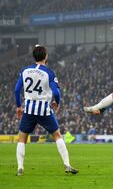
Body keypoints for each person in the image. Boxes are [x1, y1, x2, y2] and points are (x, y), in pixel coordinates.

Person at [14, 45, 78, 176]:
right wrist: (57, 102)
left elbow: (16, 90)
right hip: (44, 110)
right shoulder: (49, 73)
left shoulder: (25, 70)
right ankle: (67, 164)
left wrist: (19, 106)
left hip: (29, 110)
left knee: (22, 139)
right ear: (46, 57)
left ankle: (20, 167)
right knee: (57, 136)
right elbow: (56, 92)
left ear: (34, 57)